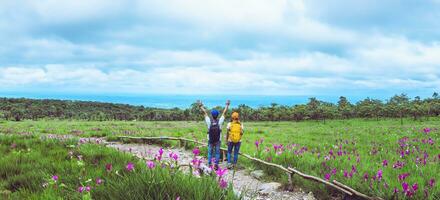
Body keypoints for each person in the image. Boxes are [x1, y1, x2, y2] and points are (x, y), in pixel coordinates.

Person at [198, 100, 230, 170]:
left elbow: (205, 113)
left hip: (210, 140)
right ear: (218, 115)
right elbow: (224, 113)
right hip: (218, 140)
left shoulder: (209, 121)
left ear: (212, 115)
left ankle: (209, 164)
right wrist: (227, 105)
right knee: (217, 153)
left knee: (210, 153)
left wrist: (200, 106)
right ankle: (216, 165)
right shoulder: (220, 121)